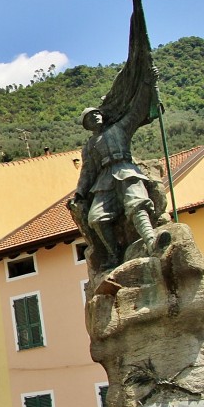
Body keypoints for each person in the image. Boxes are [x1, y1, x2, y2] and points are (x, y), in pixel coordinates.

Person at [71, 74, 158, 269]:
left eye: (96, 113)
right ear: (87, 125)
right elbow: (87, 171)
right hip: (103, 180)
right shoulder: (90, 146)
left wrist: (147, 82)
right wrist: (79, 193)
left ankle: (151, 240)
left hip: (125, 169)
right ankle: (114, 255)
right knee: (96, 218)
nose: (95, 116)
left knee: (137, 204)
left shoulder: (120, 128)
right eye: (90, 117)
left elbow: (137, 110)